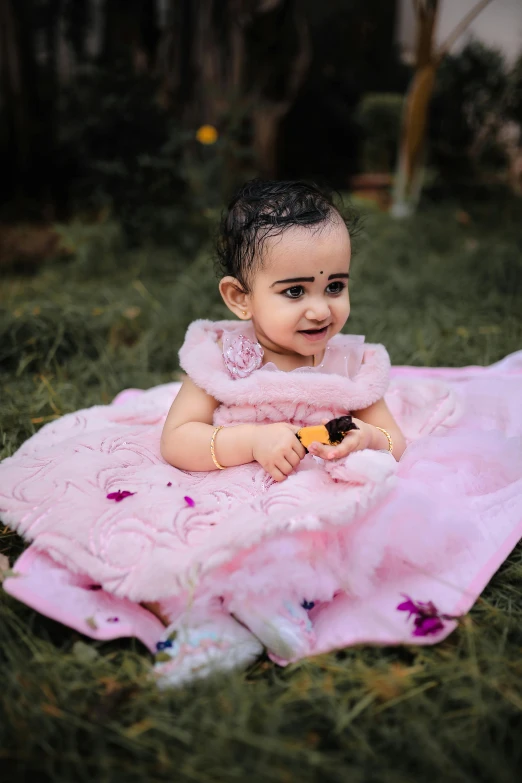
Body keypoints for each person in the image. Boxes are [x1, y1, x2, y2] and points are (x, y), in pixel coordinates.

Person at [2, 180, 522, 688]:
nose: (321, 308)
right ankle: (207, 621)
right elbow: (178, 439)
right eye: (295, 291)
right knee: (189, 530)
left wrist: (363, 438)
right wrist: (249, 442)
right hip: (228, 472)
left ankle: (277, 602)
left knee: (338, 527)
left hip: (312, 477)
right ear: (240, 298)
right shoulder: (221, 360)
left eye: (334, 286)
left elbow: (394, 442)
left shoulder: (350, 365)